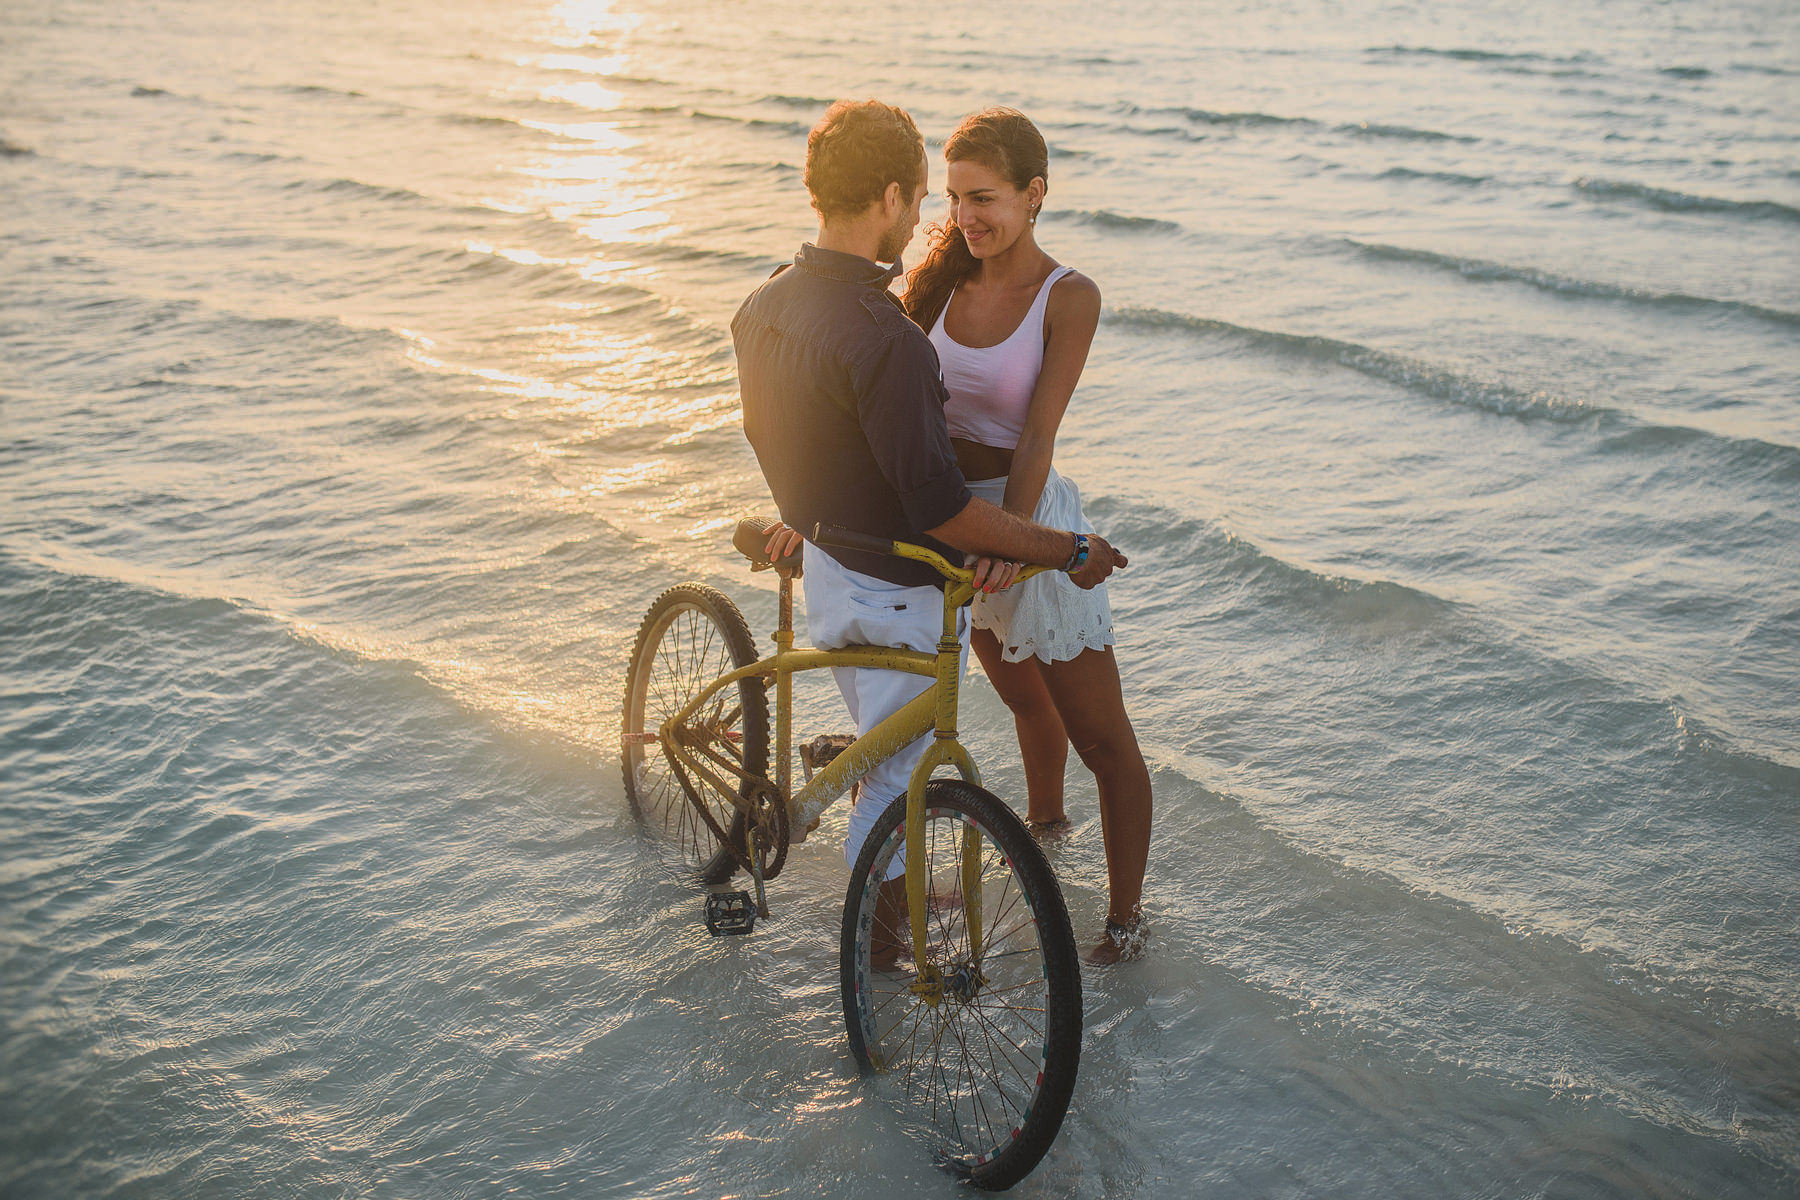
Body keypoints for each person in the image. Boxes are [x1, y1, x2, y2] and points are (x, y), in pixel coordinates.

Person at [731, 99, 1127, 964]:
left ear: (1034, 194)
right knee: (910, 763)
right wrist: (1069, 551)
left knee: (1061, 730)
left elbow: (803, 426)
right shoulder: (898, 325)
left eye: (975, 198)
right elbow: (914, 480)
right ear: (890, 197)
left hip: (899, 548)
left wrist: (810, 512)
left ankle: (1090, 888)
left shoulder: (765, 301)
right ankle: (878, 963)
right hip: (917, 552)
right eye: (932, 198)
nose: (936, 220)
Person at [900, 107, 1152, 962]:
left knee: (1102, 739)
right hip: (951, 524)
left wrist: (1011, 544)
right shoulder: (939, 281)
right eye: (953, 197)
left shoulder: (1068, 297)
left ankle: (1125, 920)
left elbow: (1038, 435)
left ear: (1034, 193)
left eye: (984, 198)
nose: (964, 216)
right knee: (1021, 698)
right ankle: (1046, 831)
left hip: (1027, 522)